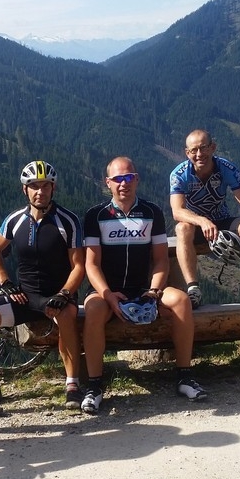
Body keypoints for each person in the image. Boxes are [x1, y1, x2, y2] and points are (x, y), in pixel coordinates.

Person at [80, 156, 208, 414]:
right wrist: (108, 295)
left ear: (136, 179)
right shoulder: (96, 215)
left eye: (128, 177)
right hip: (108, 290)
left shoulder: (152, 212)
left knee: (181, 301)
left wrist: (154, 292)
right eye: (118, 179)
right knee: (92, 310)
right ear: (108, 182)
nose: (123, 183)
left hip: (144, 288)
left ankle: (185, 376)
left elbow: (161, 260)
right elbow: (91, 264)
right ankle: (94, 386)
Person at [0, 160, 86, 408]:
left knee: (67, 318)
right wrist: (5, 282)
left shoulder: (67, 221)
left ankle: (72, 384)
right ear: (25, 189)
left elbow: (79, 265)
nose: (40, 191)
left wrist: (65, 294)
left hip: (57, 294)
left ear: (53, 188)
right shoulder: (15, 219)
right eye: (34, 186)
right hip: (24, 296)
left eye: (45, 186)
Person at [169, 129, 240, 308]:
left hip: (222, 220)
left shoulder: (226, 168)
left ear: (213, 147)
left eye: (203, 148)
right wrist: (202, 221)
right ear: (187, 153)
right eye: (194, 150)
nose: (199, 154)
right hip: (196, 225)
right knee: (182, 228)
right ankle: (193, 289)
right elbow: (177, 211)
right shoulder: (179, 174)